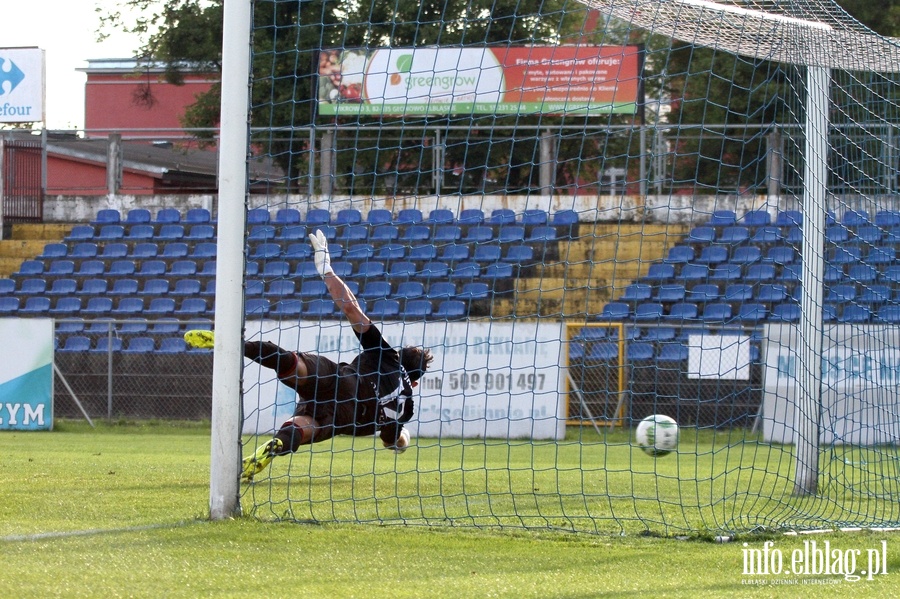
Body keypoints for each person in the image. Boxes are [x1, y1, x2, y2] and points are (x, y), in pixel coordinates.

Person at [184, 229, 434, 481]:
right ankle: (278, 445)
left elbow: (350, 308)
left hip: (341, 380)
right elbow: (390, 441)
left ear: (399, 356)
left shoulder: (387, 356)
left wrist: (326, 267)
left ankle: (237, 345)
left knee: (292, 363)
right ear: (414, 381)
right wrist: (404, 440)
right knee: (305, 425)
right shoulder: (406, 408)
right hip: (342, 417)